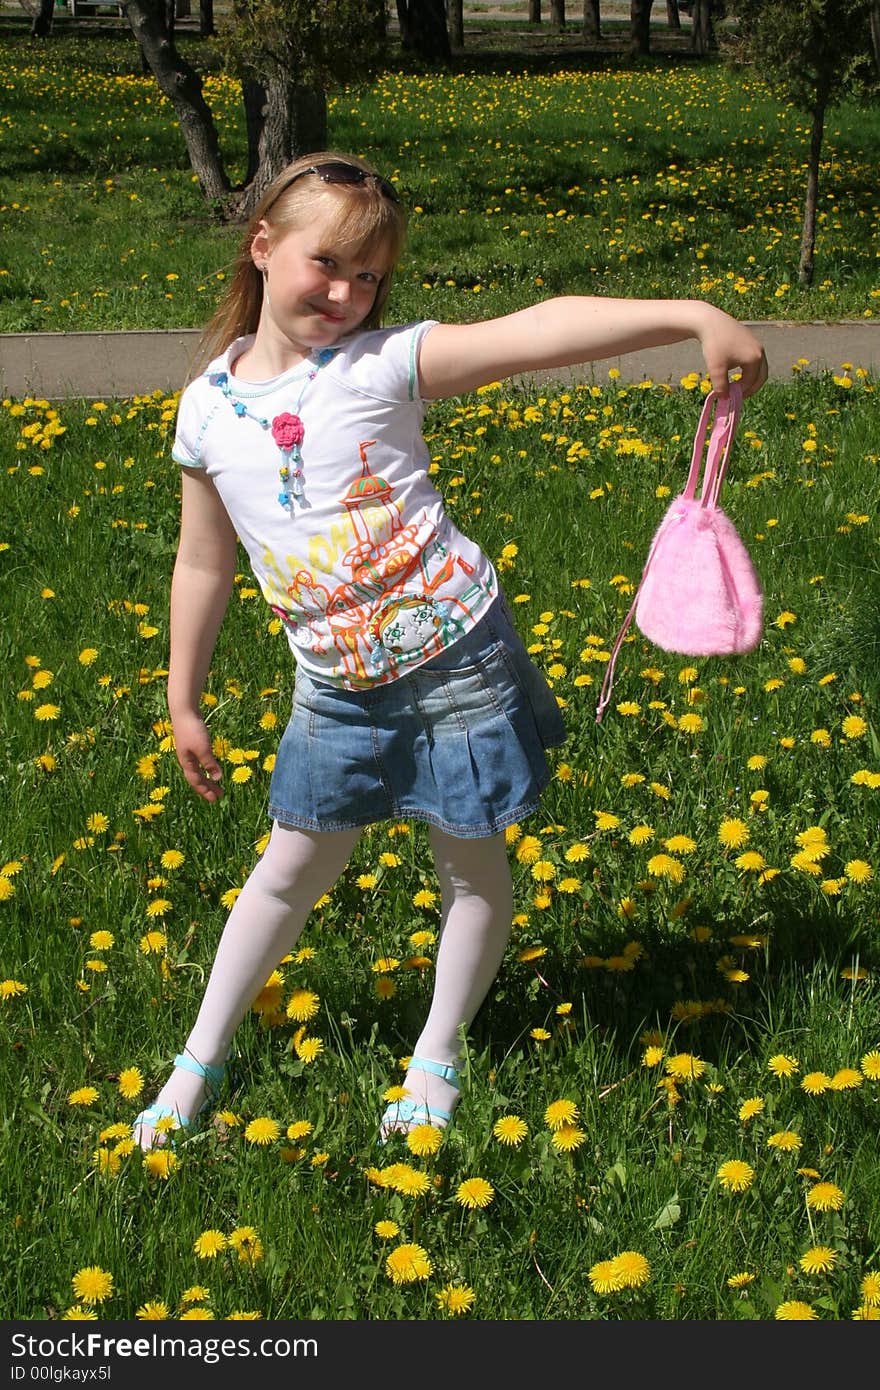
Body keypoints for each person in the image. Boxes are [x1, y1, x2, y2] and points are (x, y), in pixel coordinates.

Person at [133, 150, 768, 1149]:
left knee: (469, 867)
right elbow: (201, 564)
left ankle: (435, 1056)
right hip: (334, 690)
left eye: (370, 275)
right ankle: (197, 1061)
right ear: (262, 248)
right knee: (287, 868)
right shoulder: (205, 411)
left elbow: (536, 329)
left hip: (456, 668)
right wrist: (183, 697)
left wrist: (687, 311)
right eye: (326, 264)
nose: (346, 292)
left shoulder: (381, 364)